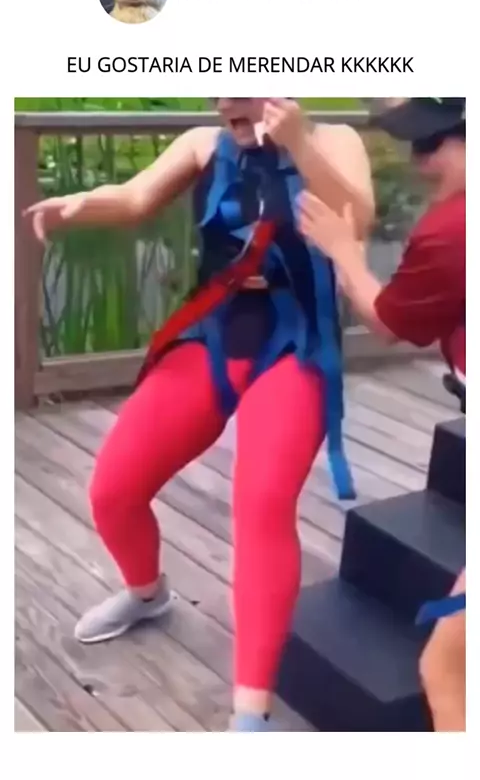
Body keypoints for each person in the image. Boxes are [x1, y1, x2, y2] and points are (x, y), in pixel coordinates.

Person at [26, 98, 375, 732]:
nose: (224, 103)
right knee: (113, 489)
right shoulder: (202, 143)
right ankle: (146, 594)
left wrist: (300, 145)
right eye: (220, 91)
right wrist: (79, 204)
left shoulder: (336, 139)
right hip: (215, 334)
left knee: (262, 505)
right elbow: (134, 198)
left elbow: (358, 220)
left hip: (295, 342)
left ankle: (251, 717)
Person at [298, 96, 466, 732]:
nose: (419, 163)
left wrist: (343, 251)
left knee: (447, 668)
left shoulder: (453, 231)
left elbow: (391, 322)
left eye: (431, 144)